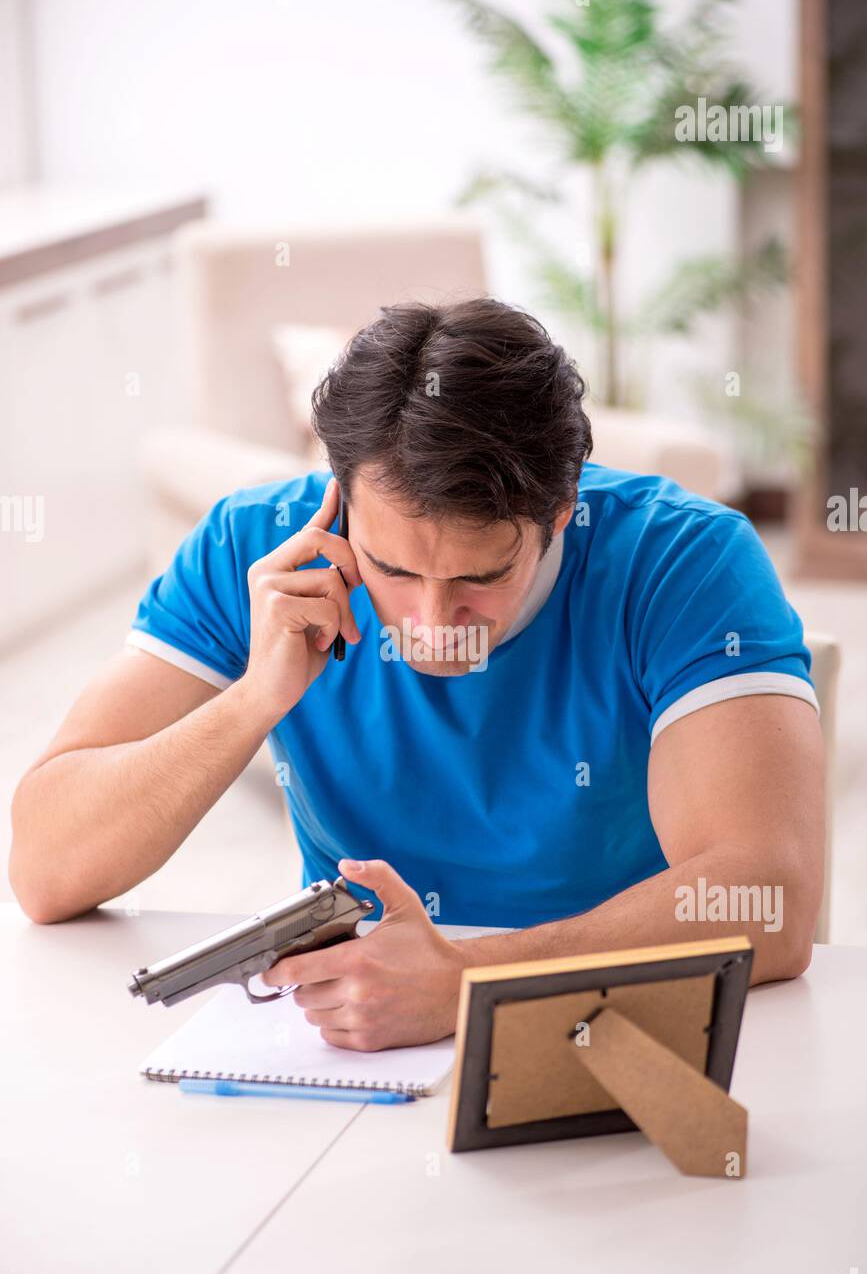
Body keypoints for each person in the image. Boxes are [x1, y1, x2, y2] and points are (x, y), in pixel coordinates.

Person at [10, 299, 824, 1050]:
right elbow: (46, 870)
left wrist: (473, 981)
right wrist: (255, 698)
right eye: (392, 568)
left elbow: (769, 900)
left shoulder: (684, 561)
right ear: (338, 502)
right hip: (358, 1033)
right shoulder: (251, 549)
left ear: (562, 507)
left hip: (610, 1015)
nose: (433, 627)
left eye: (480, 577)